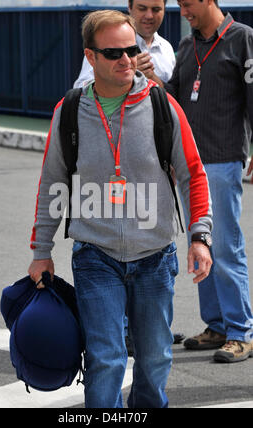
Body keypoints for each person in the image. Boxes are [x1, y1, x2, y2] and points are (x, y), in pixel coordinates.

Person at [28, 9, 212, 408]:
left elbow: (193, 175)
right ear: (90, 57)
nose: (127, 59)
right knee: (107, 358)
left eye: (131, 50)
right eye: (114, 53)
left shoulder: (164, 106)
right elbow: (52, 183)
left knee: (155, 359)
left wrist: (200, 236)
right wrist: (41, 251)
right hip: (96, 256)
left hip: (156, 257)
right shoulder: (70, 112)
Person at [165, 0, 253, 363]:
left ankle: (241, 332)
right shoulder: (188, 45)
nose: (183, 12)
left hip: (222, 158)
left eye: (188, 4)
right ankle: (217, 325)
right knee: (200, 244)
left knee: (225, 246)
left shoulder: (242, 38)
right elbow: (173, 98)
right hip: (190, 165)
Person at [73, 0, 176, 88]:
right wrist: (126, 73)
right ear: (129, 7)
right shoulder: (106, 43)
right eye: (142, 8)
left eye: (156, 9)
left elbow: (173, 94)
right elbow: (82, 88)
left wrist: (153, 78)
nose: (149, 15)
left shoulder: (166, 48)